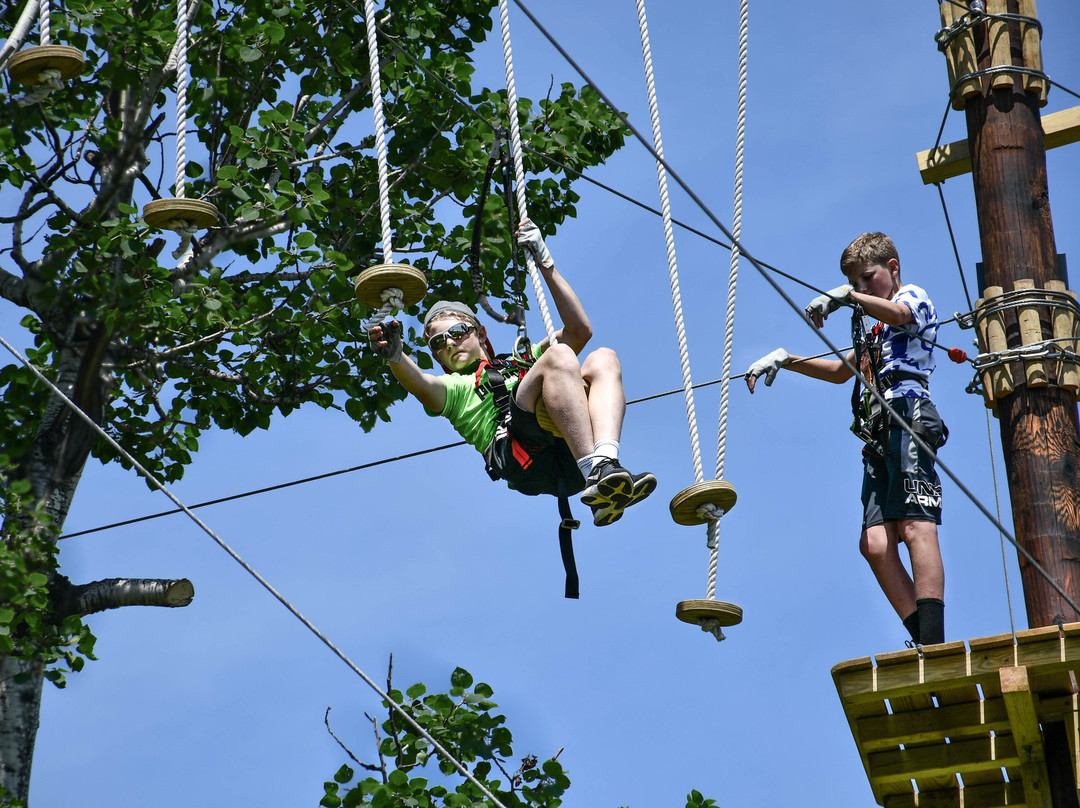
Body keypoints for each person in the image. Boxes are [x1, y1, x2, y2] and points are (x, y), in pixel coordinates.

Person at [367, 219, 656, 527]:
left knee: (603, 358)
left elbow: (580, 330)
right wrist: (395, 355)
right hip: (524, 457)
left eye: (457, 332)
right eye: (438, 343)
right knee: (558, 355)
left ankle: (605, 463)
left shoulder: (521, 361)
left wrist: (546, 263)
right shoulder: (453, 388)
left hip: (566, 455)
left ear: (480, 334)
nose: (449, 343)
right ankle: (595, 472)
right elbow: (420, 384)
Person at [744, 232, 947, 646]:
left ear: (892, 268)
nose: (861, 287)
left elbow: (899, 315)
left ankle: (933, 640)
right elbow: (842, 372)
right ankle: (923, 640)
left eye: (866, 278)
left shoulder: (913, 298)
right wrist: (787, 360)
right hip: (876, 431)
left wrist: (845, 297)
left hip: (908, 415)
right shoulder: (875, 326)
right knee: (874, 544)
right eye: (854, 282)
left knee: (914, 526)